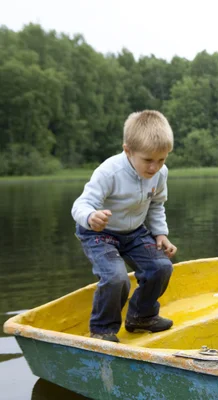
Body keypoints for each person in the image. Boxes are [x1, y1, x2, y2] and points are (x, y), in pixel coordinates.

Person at [71, 110, 178, 343]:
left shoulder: (160, 174)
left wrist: (160, 234)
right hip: (99, 233)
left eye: (161, 160)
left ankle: (141, 316)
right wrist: (91, 216)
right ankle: (102, 330)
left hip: (135, 232)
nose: (154, 167)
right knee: (116, 277)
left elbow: (156, 205)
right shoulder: (110, 172)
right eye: (148, 160)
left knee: (161, 267)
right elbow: (81, 204)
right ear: (128, 150)